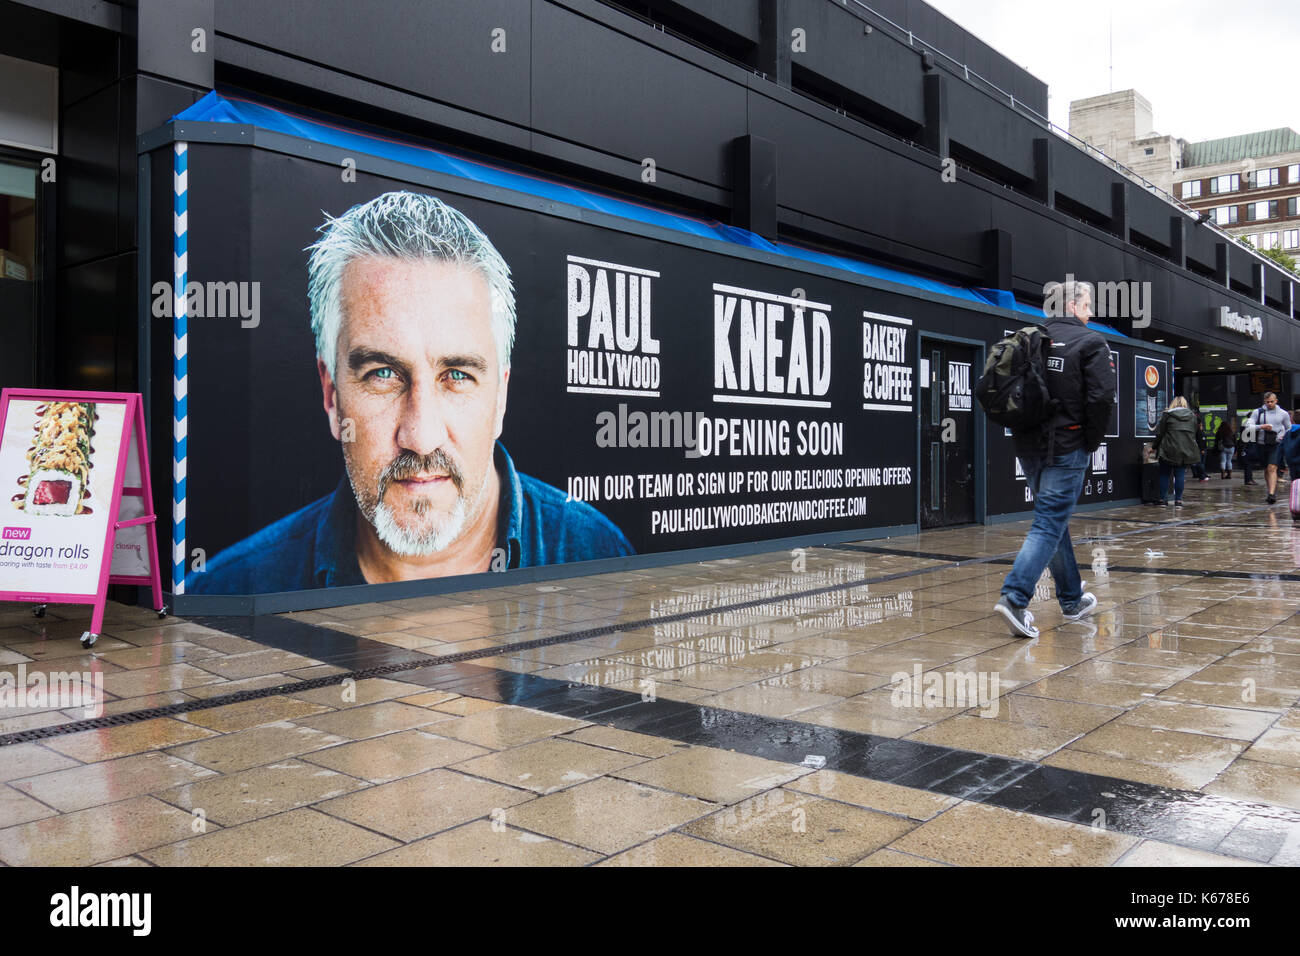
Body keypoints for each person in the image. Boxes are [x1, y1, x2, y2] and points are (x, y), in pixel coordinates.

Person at [189, 191, 633, 594]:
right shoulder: (232, 591)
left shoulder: (600, 558)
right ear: (331, 395)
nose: (421, 437)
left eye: (457, 375)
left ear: (500, 398)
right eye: (383, 373)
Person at [995, 279, 1116, 638]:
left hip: (1029, 447)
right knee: (1049, 523)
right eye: (1089, 305)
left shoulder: (1030, 337)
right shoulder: (1090, 342)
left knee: (1053, 521)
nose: (1091, 312)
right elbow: (1101, 397)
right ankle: (1015, 597)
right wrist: (1090, 441)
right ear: (1075, 305)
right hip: (1067, 445)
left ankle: (1071, 599)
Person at [1153, 397, 1200, 506]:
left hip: (1168, 449)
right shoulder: (1192, 417)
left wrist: (1155, 446)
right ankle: (1178, 500)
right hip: (1185, 449)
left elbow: (1161, 433)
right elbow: (1194, 432)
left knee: (1164, 474)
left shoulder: (1167, 415)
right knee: (1180, 475)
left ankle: (1162, 499)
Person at [1246, 391, 1292, 505]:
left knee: (1272, 467)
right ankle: (1269, 490)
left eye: (1272, 401)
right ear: (1264, 402)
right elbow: (1248, 425)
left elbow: (1289, 428)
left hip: (1276, 444)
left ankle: (1272, 494)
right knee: (1266, 469)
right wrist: (1261, 426)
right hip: (1261, 444)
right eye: (1267, 402)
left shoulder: (1283, 413)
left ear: (1276, 401)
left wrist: (1282, 436)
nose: (1269, 404)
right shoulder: (1258, 412)